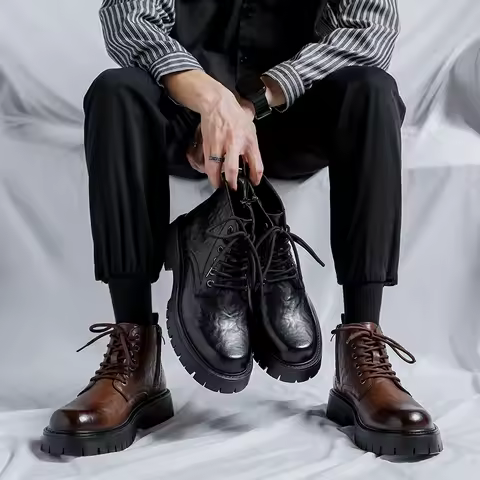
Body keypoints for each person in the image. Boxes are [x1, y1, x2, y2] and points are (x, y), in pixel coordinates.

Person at [41, 0, 443, 458]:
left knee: (373, 90)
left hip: (293, 113)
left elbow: (368, 31)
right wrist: (211, 101)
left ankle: (362, 345)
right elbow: (128, 17)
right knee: (115, 91)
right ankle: (134, 357)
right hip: (188, 117)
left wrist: (251, 101)